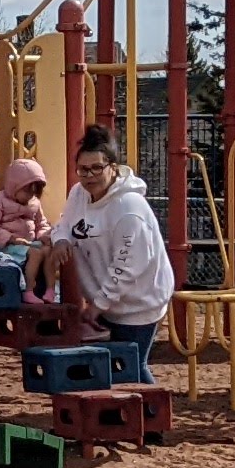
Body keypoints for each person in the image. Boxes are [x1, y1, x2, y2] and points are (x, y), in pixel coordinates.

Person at [47, 121, 177, 362]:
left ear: (113, 168)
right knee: (109, 369)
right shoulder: (79, 193)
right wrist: (62, 240)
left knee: (131, 368)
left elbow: (127, 266)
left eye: (97, 168)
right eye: (83, 169)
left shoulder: (129, 208)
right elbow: (64, 223)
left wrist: (98, 305)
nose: (89, 176)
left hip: (139, 304)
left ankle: (151, 401)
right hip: (106, 302)